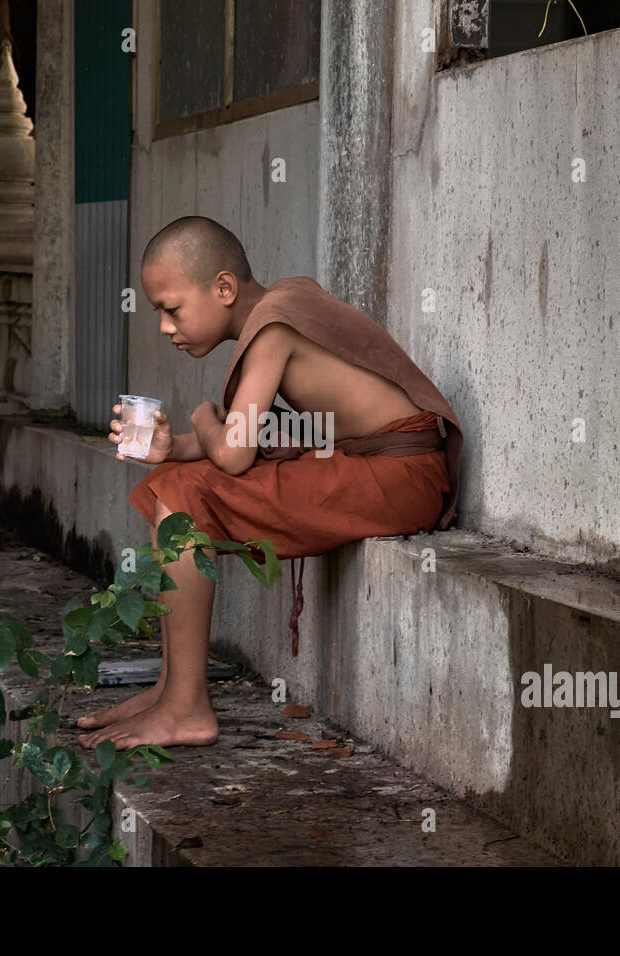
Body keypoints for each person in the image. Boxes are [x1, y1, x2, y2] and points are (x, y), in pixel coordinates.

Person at [76, 215, 463, 750]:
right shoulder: (287, 297)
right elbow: (260, 438)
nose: (165, 327)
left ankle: (186, 706)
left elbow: (234, 453)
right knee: (177, 477)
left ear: (224, 287)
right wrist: (177, 446)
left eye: (172, 308)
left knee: (185, 496)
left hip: (401, 476)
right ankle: (172, 687)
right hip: (377, 465)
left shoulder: (274, 327)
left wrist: (203, 414)